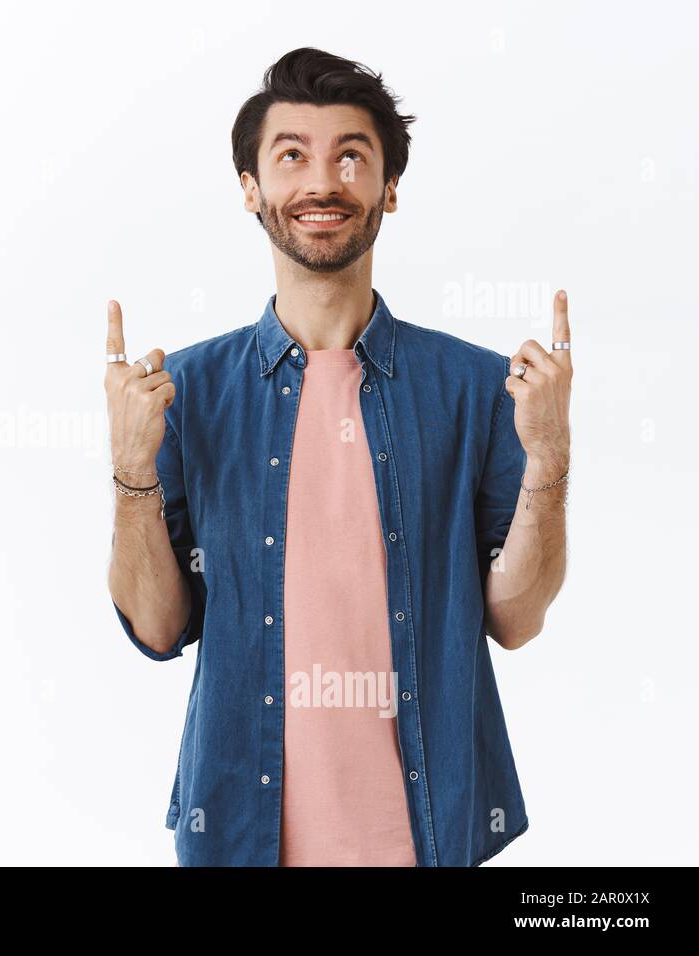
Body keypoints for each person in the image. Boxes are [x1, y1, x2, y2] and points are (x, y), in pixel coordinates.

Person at [105, 47, 571, 867]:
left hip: (428, 837)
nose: (322, 183)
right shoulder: (184, 393)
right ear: (251, 188)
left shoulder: (472, 387)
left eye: (351, 156)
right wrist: (132, 470)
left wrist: (549, 462)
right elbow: (158, 626)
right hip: (243, 841)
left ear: (388, 188)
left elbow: (516, 619)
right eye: (292, 156)